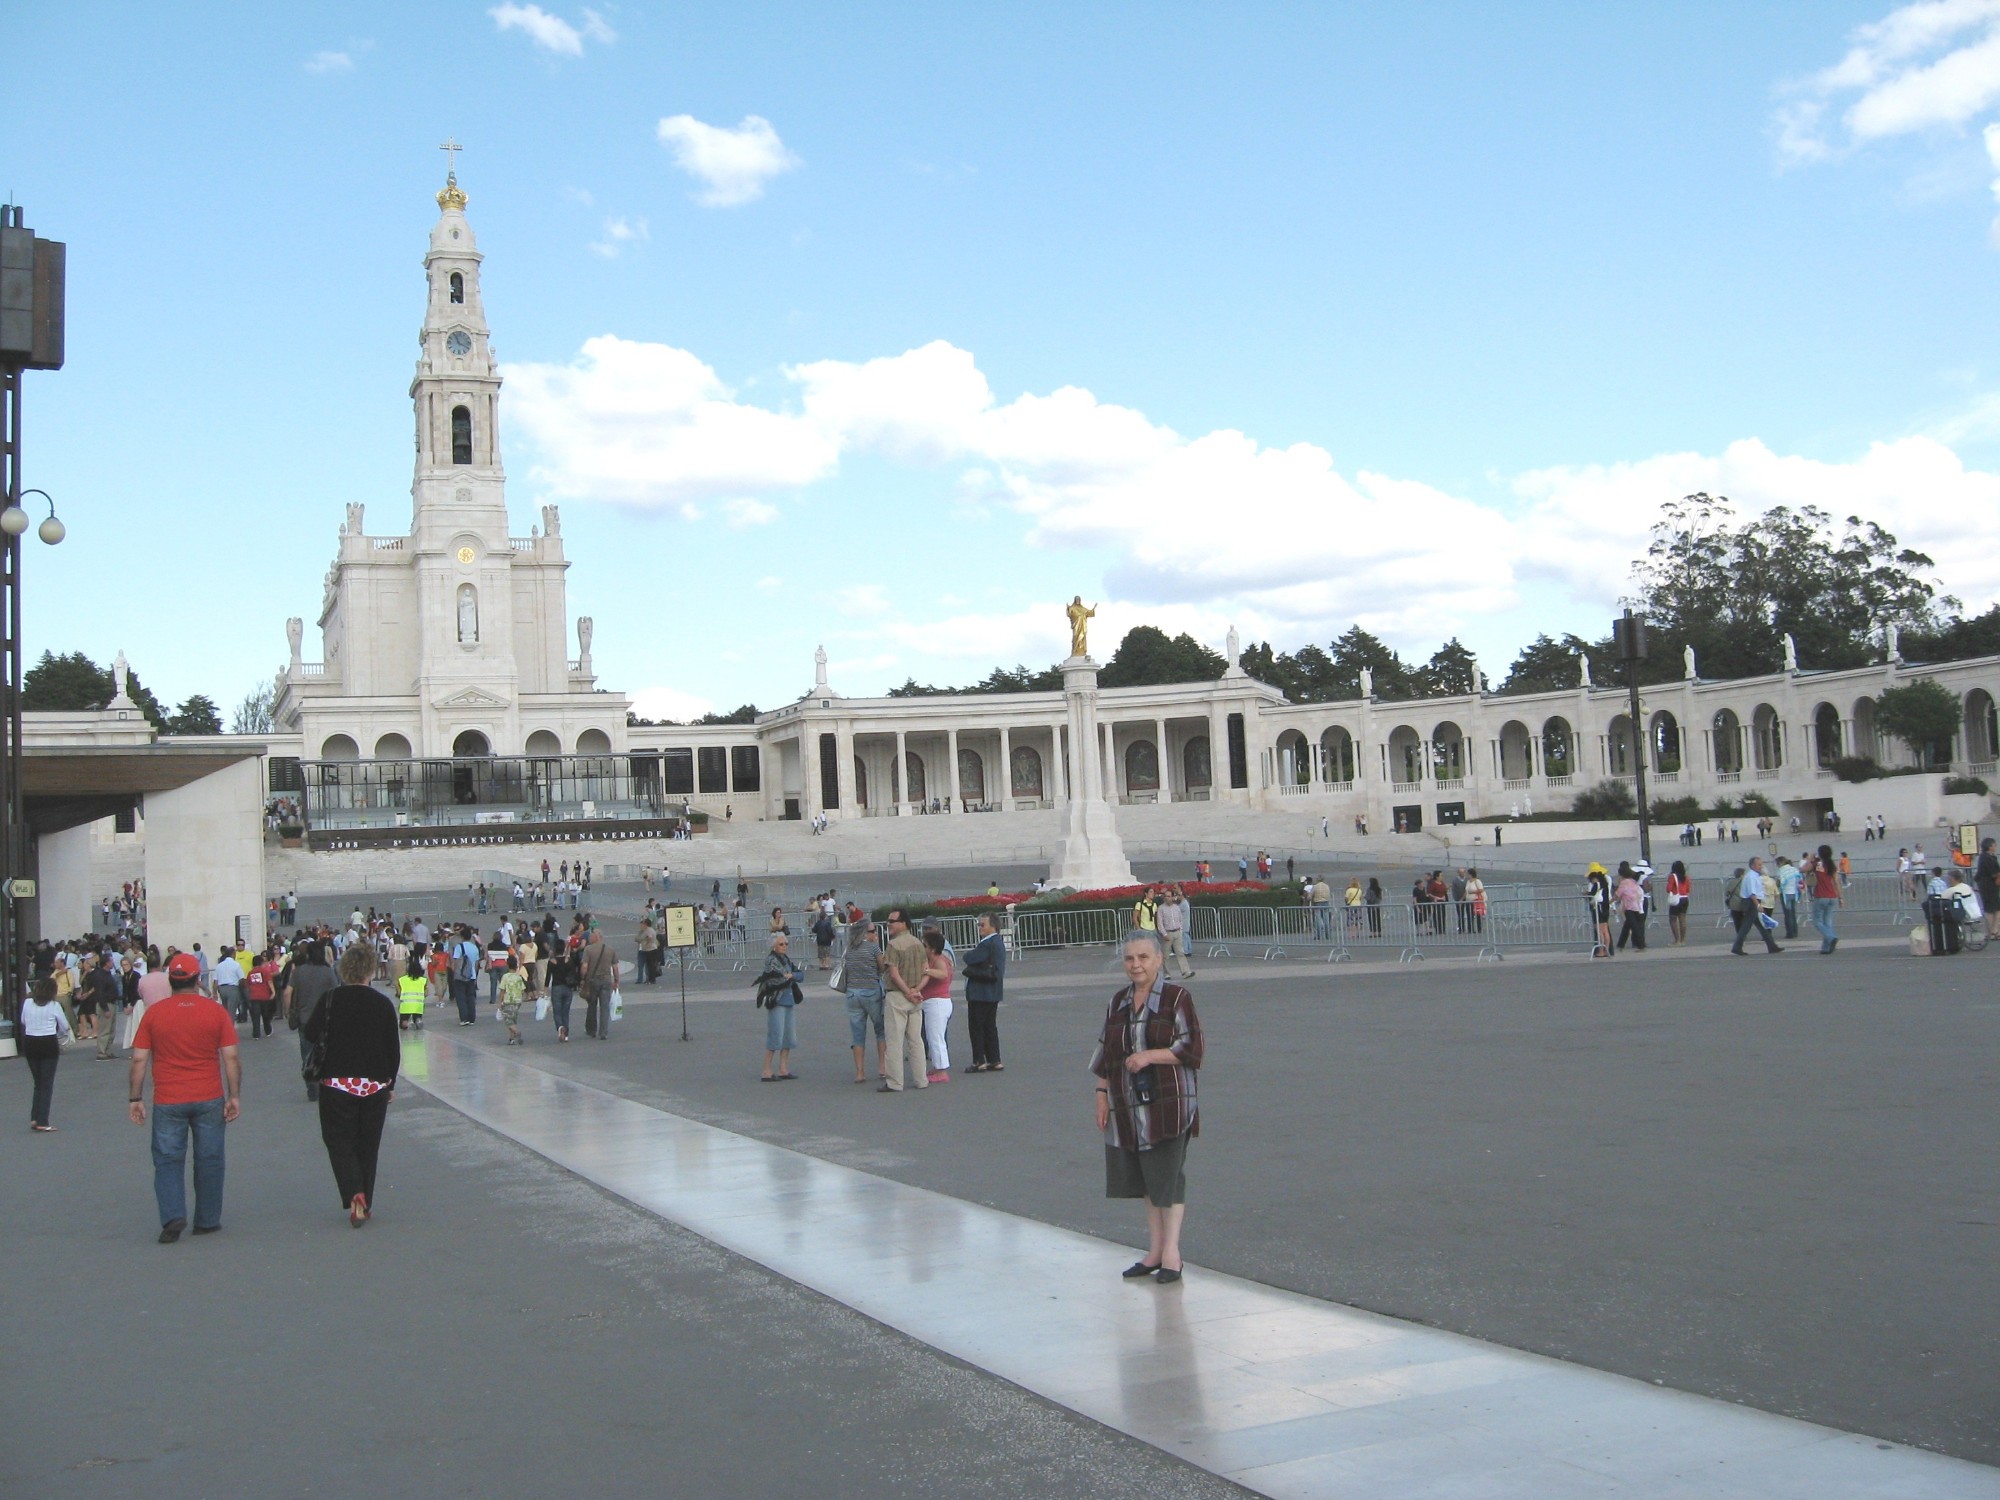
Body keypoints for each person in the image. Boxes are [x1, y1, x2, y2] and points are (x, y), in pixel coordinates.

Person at [1091, 929, 1204, 1285]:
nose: (1136, 965)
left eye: (1143, 957)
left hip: (1169, 1102)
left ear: (1158, 959)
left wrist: (1149, 1056)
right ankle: (1154, 1250)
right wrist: (1101, 1093)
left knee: (1167, 1178)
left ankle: (1172, 1253)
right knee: (1146, 1181)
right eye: (1129, 958)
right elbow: (1106, 1052)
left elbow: (1192, 1047)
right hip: (1128, 1105)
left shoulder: (1176, 998)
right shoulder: (1118, 1001)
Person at [129, 952, 241, 1243]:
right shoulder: (215, 1012)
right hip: (208, 1094)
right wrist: (234, 1096)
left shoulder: (154, 1013)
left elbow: (139, 1060)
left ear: (171, 981)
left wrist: (135, 1098)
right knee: (210, 1158)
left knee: (167, 1159)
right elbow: (230, 1057)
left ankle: (173, 1214)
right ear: (198, 979)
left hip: (168, 1097)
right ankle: (207, 1219)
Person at [305, 941, 401, 1227]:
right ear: (370, 970)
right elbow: (392, 1049)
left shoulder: (331, 999)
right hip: (373, 1085)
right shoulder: (382, 1003)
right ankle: (365, 1201)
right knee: (367, 1145)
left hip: (337, 1082)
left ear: (343, 970)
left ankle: (353, 1191)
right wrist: (390, 1083)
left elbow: (311, 1033)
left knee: (339, 1140)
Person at [878, 909, 929, 1093]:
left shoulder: (893, 945)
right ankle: (921, 1079)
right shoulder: (918, 943)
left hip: (898, 996)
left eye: (892, 921)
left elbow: (893, 973)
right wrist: (917, 990)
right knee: (916, 1040)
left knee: (894, 1041)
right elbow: (926, 971)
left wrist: (907, 991)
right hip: (916, 996)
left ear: (904, 923)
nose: (888, 924)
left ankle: (895, 1082)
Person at [285, 939, 337, 1101]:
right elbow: (335, 993)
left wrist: (288, 1012)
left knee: (307, 1054)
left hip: (305, 1019)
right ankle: (324, 1084)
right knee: (326, 1052)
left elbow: (287, 993)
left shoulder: (298, 972)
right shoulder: (328, 972)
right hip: (325, 1019)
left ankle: (311, 1088)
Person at [20, 976, 73, 1131]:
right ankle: (43, 1120)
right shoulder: (54, 1005)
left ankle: (35, 1117)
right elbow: (64, 1025)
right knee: (47, 1083)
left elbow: (23, 1020)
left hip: (30, 1042)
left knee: (38, 1082)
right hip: (48, 1042)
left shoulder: (28, 1003)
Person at [838, 919, 887, 1084]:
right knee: (880, 1029)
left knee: (857, 1034)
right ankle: (882, 1067)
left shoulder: (849, 949)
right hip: (871, 991)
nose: (875, 934)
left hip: (852, 993)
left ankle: (860, 1072)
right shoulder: (873, 947)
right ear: (866, 933)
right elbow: (882, 967)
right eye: (873, 931)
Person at [963, 913, 1007, 1073]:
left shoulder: (987, 943)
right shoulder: (998, 943)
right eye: (979, 925)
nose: (980, 928)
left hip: (980, 992)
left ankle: (979, 1060)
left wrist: (970, 958)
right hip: (992, 991)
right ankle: (994, 1059)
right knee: (989, 1026)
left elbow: (969, 958)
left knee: (976, 1027)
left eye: (983, 925)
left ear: (993, 926)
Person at [756, 932, 802, 1081]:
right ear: (774, 946)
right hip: (777, 1000)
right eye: (781, 944)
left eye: (786, 944)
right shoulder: (771, 960)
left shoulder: (786, 959)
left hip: (789, 1000)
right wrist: (791, 976)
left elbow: (799, 975)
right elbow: (779, 978)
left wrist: (792, 976)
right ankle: (766, 1070)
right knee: (775, 1035)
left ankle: (783, 1068)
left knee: (789, 1037)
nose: (785, 947)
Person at [918, 927, 954, 1082]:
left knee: (936, 1037)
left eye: (924, 946)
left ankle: (941, 1071)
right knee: (934, 1036)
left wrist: (927, 971)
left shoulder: (939, 961)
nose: (922, 948)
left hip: (937, 1002)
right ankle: (937, 1067)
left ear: (932, 949)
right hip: (935, 1001)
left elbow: (943, 974)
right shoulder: (937, 959)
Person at [1730, 857, 1785, 956]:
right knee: (1746, 926)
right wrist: (1758, 905)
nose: (1761, 866)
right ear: (1752, 866)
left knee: (1760, 925)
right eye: (1759, 865)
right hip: (1751, 902)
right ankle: (1737, 946)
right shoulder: (1751, 877)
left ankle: (1771, 945)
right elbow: (1752, 893)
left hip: (1752, 902)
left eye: (1761, 864)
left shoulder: (1755, 876)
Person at [578, 925, 618, 1040]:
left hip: (592, 980)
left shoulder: (588, 949)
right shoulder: (610, 949)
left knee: (592, 1005)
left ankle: (592, 1030)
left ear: (597, 937)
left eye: (591, 935)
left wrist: (582, 978)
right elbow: (615, 967)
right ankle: (603, 1032)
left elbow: (584, 966)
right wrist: (616, 980)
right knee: (605, 1006)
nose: (589, 937)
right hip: (606, 980)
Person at [1807, 844, 1843, 954]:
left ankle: (1831, 937)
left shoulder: (1819, 864)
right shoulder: (1831, 865)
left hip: (1821, 895)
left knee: (1817, 921)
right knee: (1827, 922)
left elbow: (1802, 869)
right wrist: (1841, 897)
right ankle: (1826, 947)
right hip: (1832, 895)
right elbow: (1836, 882)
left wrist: (1810, 858)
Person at [547, 934, 579, 1043]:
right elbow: (574, 973)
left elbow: (547, 978)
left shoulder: (552, 962)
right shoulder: (568, 960)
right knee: (566, 1011)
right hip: (567, 988)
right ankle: (566, 1034)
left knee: (557, 1011)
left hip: (556, 987)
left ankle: (560, 1027)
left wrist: (545, 990)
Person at [1613, 861, 1647, 951]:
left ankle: (1641, 945)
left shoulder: (1624, 883)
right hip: (1637, 906)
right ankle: (1621, 945)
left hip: (1629, 907)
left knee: (1634, 927)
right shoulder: (1633, 881)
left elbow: (1618, 894)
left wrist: (1609, 902)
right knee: (1627, 926)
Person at [1585, 863, 1613, 957]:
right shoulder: (1605, 882)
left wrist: (1585, 893)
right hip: (1605, 907)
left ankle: (1601, 950)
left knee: (1599, 930)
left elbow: (1591, 894)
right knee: (1605, 930)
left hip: (1598, 907)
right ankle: (1607, 950)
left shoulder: (1597, 884)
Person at [1976, 837, 2000, 942]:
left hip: (1990, 886)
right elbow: (1994, 873)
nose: (1995, 847)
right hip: (1988, 886)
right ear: (1989, 847)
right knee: (1991, 909)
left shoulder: (1988, 857)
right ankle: (1992, 931)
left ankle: (1994, 930)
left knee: (1995, 908)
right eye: (1994, 845)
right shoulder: (1987, 858)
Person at [396, 956, 426, 1031]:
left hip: (405, 1005)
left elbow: (399, 993)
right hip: (418, 1005)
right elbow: (426, 993)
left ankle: (405, 1023)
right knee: (417, 1015)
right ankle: (417, 1020)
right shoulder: (423, 980)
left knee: (403, 1020)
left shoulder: (402, 980)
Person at [1665, 861, 1691, 945]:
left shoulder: (1672, 876)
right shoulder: (1686, 877)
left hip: (1676, 899)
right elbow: (1688, 890)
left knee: (1673, 919)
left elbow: (1668, 889)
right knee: (1682, 919)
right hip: (1685, 899)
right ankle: (1682, 940)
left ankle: (1677, 940)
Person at [1776, 856, 1802, 940]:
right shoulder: (1794, 869)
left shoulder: (1781, 870)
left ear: (1780, 863)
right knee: (1793, 913)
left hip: (1785, 893)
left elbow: (1779, 882)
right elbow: (1799, 880)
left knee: (1787, 914)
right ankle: (1795, 931)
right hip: (1794, 893)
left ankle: (1790, 933)